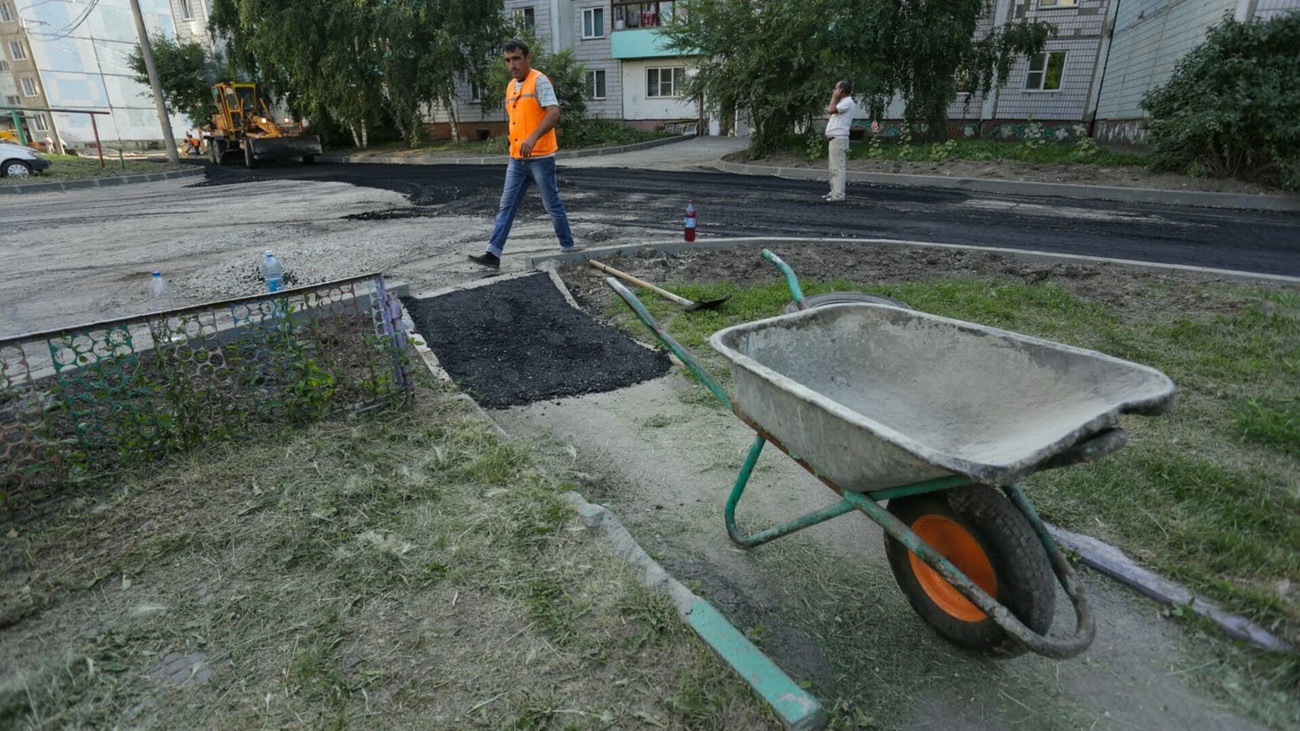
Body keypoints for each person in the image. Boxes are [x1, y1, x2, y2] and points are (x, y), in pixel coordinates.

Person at [469, 38, 577, 269]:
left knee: (551, 204)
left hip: (541, 158)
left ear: (527, 58)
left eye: (516, 58)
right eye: (508, 60)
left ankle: (568, 247)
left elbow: (554, 113)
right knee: (506, 206)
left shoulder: (540, 81)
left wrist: (532, 137)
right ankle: (493, 254)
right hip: (517, 159)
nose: (512, 65)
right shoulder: (510, 86)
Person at [823, 80, 855, 202]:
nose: (834, 91)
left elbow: (830, 110)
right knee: (833, 168)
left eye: (836, 89)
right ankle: (834, 191)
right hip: (834, 139)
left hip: (839, 139)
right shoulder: (843, 102)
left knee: (838, 168)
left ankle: (839, 195)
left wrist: (833, 98)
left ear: (841, 90)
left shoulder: (847, 102)